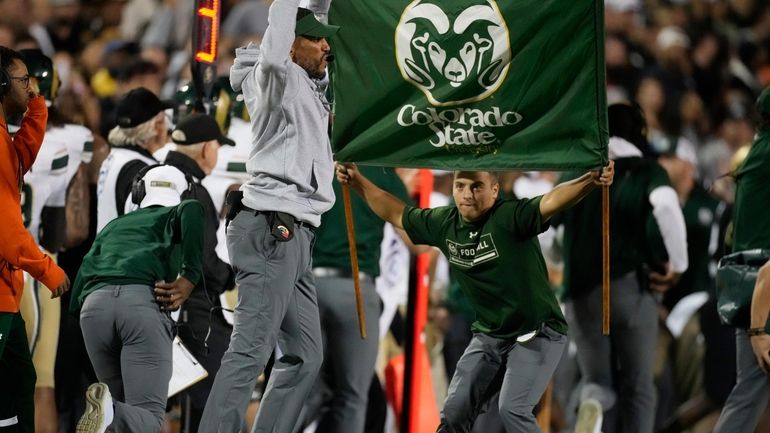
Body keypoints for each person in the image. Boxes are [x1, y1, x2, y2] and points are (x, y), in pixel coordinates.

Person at [335, 161, 614, 433]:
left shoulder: (511, 217)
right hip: (490, 334)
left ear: (494, 190)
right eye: (460, 186)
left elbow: (553, 200)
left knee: (512, 409)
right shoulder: (444, 222)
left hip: (538, 332)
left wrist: (590, 180)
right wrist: (358, 181)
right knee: (455, 410)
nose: (467, 194)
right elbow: (395, 212)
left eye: (477, 186)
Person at [198, 0, 339, 431]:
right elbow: (279, 38)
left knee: (305, 354)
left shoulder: (307, 83)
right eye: (315, 40)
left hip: (294, 233)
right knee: (251, 349)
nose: (325, 48)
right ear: (290, 46)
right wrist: (286, 7)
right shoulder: (278, 77)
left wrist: (317, 9)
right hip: (270, 226)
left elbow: (316, 20)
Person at [553, 103, 688, 433]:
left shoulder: (576, 170)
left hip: (581, 292)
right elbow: (667, 207)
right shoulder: (647, 170)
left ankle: (593, 410)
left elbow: (551, 229)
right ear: (638, 132)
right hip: (630, 289)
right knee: (639, 388)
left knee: (597, 381)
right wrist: (679, 265)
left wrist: (561, 257)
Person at [71, 165, 205, 433]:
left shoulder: (115, 225)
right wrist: (189, 277)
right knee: (147, 417)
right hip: (140, 307)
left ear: (138, 192)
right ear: (185, 193)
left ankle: (110, 412)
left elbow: (82, 278)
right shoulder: (178, 211)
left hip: (93, 310)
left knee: (120, 418)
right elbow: (192, 211)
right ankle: (111, 412)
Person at [306, 167, 409, 433]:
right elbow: (417, 241)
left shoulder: (316, 162)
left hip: (307, 287)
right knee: (352, 394)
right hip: (355, 291)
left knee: (304, 390)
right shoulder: (383, 175)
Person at [0, 45, 70, 433]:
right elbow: (6, 229)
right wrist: (48, 271)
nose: (32, 87)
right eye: (24, 80)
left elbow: (21, 157)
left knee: (22, 381)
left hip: (8, 287)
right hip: (12, 275)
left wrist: (37, 106)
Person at [161, 112, 236, 433]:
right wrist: (232, 276)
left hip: (155, 304)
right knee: (215, 401)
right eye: (216, 146)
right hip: (193, 313)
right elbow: (203, 261)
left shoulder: (155, 176)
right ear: (206, 150)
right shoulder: (192, 189)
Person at [713, 86, 770, 433]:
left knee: (749, 392)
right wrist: (761, 328)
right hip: (764, 284)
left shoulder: (758, 153)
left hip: (749, 281)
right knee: (749, 393)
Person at [96, 86, 172, 232]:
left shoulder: (114, 157)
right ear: (157, 126)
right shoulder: (144, 171)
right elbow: (144, 232)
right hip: (124, 253)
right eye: (164, 119)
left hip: (106, 252)